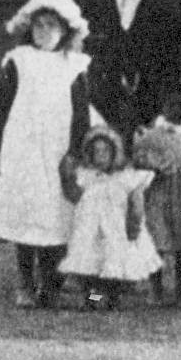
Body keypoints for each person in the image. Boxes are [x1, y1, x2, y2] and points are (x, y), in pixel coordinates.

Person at [0, 0, 92, 309]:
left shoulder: (74, 65)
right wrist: (0, 145)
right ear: (29, 29)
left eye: (53, 26)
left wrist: (74, 150)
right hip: (24, 151)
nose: (45, 33)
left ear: (66, 30)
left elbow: (81, 112)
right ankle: (25, 284)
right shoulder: (19, 61)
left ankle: (51, 285)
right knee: (27, 215)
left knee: (56, 217)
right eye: (39, 26)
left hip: (58, 152)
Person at [84, 0, 181, 135]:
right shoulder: (91, 9)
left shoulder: (166, 13)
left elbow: (173, 70)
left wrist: (164, 116)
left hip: (148, 118)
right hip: (100, 115)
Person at [59, 126, 162, 311]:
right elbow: (73, 195)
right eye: (96, 151)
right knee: (91, 272)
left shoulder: (125, 177)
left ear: (115, 152)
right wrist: (66, 177)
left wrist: (134, 223)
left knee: (114, 272)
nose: (101, 156)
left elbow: (136, 201)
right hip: (91, 232)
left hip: (116, 232)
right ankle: (93, 298)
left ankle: (113, 298)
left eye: (105, 151)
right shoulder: (87, 176)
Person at [133, 92, 181, 305]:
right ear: (163, 107)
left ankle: (180, 292)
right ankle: (156, 290)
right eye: (172, 105)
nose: (177, 111)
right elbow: (140, 161)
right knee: (157, 240)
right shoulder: (151, 134)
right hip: (158, 192)